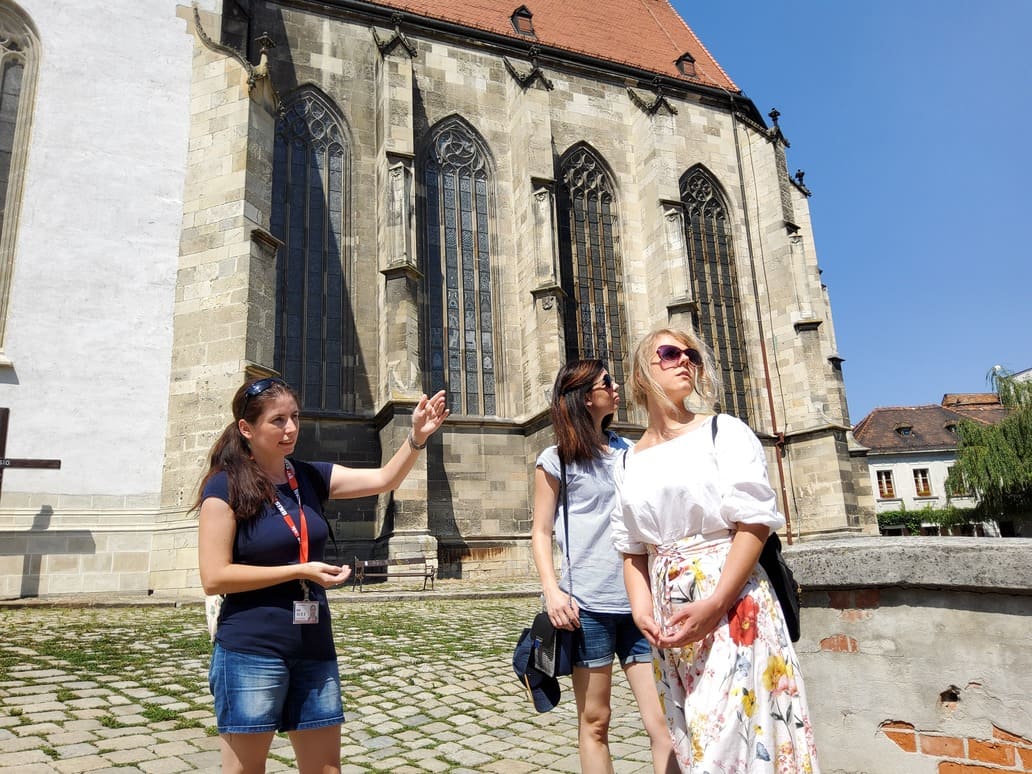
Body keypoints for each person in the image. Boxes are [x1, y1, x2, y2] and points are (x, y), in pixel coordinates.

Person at [196, 376, 448, 774]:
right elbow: (214, 576)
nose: (291, 428)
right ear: (247, 428)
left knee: (326, 769)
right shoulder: (223, 487)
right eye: (277, 420)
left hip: (312, 644)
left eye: (294, 416)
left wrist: (416, 438)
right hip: (251, 647)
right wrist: (299, 570)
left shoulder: (308, 477)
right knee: (246, 770)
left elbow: (384, 479)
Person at [611, 328, 820, 773]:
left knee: (735, 740)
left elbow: (754, 521)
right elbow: (632, 549)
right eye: (669, 353)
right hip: (672, 621)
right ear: (639, 375)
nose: (684, 361)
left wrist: (716, 602)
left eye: (692, 356)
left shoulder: (723, 432)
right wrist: (640, 609)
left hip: (732, 603)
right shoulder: (627, 459)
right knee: (695, 739)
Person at [531, 360, 677, 774]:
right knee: (596, 721)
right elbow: (540, 532)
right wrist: (552, 590)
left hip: (640, 605)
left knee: (662, 721)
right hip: (587, 608)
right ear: (583, 396)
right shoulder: (556, 459)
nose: (616, 388)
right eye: (607, 382)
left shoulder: (632, 453)